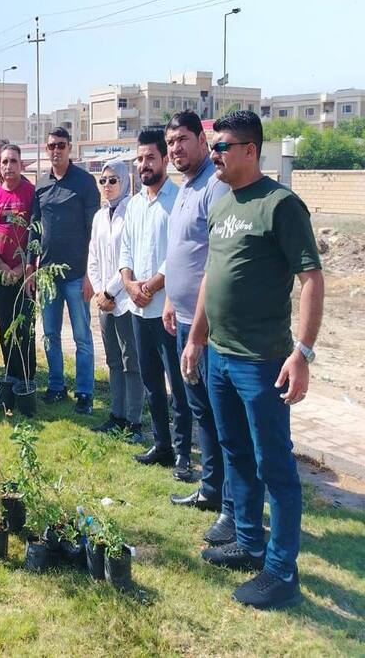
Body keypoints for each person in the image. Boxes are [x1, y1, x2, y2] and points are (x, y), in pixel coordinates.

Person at [184, 111, 323, 610]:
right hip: (219, 354)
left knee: (275, 466)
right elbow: (210, 276)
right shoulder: (223, 203)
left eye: (221, 147)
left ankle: (282, 572)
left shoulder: (280, 205)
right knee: (234, 451)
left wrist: (301, 353)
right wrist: (196, 338)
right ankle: (247, 540)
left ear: (250, 150)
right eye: (213, 147)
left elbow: (311, 279)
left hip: (261, 362)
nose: (214, 155)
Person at [163, 111, 235, 545]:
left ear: (202, 140)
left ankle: (230, 501)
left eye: (183, 140)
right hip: (184, 317)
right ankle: (210, 489)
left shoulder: (213, 187)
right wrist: (172, 297)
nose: (176, 148)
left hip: (207, 328)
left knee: (221, 415)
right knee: (200, 409)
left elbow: (214, 259)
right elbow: (182, 251)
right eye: (171, 141)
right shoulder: (185, 187)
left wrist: (198, 330)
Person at [119, 128, 193, 481]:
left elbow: (177, 255)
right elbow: (126, 251)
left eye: (150, 157)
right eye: (139, 158)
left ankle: (183, 454)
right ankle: (161, 445)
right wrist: (130, 283)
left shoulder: (177, 201)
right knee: (151, 381)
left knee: (177, 386)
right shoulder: (133, 205)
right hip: (138, 308)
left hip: (167, 310)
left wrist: (149, 285)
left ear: (165, 159)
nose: (144, 164)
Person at [29, 127, 100, 414]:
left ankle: (84, 393)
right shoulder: (41, 184)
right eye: (51, 146)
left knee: (82, 337)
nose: (55, 150)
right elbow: (34, 229)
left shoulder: (84, 183)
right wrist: (32, 267)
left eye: (60, 145)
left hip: (76, 276)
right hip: (47, 276)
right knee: (51, 334)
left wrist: (90, 274)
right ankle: (56, 386)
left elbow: (94, 232)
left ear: (70, 147)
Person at [86, 159, 142, 442]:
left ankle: (134, 421)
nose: (107, 186)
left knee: (132, 360)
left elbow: (130, 259)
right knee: (113, 360)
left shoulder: (132, 211)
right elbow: (93, 257)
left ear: (124, 181)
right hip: (104, 301)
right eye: (103, 181)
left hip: (125, 300)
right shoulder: (99, 216)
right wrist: (99, 291)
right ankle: (116, 415)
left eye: (113, 180)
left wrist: (111, 291)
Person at [0, 144, 36, 383]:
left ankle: (27, 378)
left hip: (26, 274)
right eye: (4, 162)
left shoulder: (31, 193)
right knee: (6, 326)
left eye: (13, 162)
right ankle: (10, 374)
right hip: (1, 274)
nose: (8, 166)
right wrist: (1, 265)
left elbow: (37, 236)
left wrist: (23, 268)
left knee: (25, 327)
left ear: (21, 164)